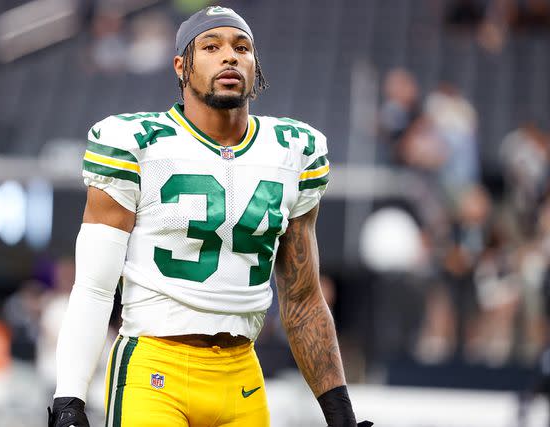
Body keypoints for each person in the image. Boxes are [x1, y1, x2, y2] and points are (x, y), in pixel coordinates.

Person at [48, 6, 372, 427]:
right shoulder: (135, 143)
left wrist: (340, 413)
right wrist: (69, 399)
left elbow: (304, 300)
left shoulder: (294, 151)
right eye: (211, 46)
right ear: (182, 66)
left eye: (242, 47)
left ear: (255, 66)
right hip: (154, 368)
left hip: (242, 374)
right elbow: (93, 287)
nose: (230, 56)